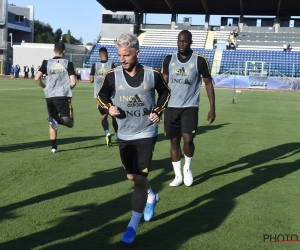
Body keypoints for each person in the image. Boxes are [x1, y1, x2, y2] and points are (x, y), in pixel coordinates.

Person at [98, 33, 170, 244]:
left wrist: (158, 110)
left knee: (139, 179)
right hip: (125, 133)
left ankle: (132, 227)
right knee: (132, 177)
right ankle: (151, 195)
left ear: (137, 53)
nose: (123, 59)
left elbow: (165, 93)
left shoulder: (152, 74)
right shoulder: (112, 75)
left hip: (146, 132)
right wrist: (108, 107)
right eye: (120, 55)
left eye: (127, 55)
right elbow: (101, 96)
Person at [162, 30, 216, 187]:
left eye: (184, 41)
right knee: (174, 141)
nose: (181, 44)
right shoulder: (168, 59)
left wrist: (212, 108)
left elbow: (208, 84)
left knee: (188, 139)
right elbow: (163, 85)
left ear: (191, 42)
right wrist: (158, 107)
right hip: (171, 107)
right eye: (179, 41)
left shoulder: (200, 60)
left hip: (189, 107)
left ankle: (187, 168)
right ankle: (178, 175)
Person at [34, 42, 77, 153]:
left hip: (49, 96)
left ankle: (54, 148)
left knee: (52, 121)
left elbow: (37, 78)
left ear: (54, 50)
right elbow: (73, 82)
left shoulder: (46, 62)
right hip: (62, 95)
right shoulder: (68, 63)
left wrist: (44, 88)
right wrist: (67, 89)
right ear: (64, 51)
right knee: (70, 122)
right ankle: (57, 120)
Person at [90, 47, 118, 146]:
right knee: (114, 115)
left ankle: (107, 132)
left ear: (99, 55)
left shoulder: (95, 65)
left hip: (99, 96)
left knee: (103, 116)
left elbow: (91, 80)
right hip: (111, 95)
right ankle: (117, 135)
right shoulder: (112, 65)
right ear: (107, 54)